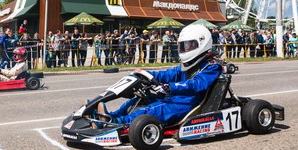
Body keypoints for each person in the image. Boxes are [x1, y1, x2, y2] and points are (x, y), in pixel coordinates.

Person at [93, 24, 223, 127]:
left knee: (155, 109)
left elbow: (197, 84)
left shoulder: (212, 66)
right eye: (183, 46)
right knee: (141, 99)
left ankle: (117, 122)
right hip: (175, 98)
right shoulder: (187, 66)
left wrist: (170, 87)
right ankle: (109, 116)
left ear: (201, 43)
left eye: (188, 45)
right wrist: (145, 73)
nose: (185, 49)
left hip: (188, 103)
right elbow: (167, 74)